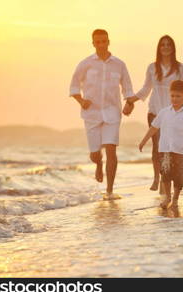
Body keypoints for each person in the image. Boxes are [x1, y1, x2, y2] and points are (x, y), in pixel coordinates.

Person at [124, 35, 183, 192]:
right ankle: (158, 178)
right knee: (158, 147)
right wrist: (130, 101)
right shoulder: (152, 67)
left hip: (175, 113)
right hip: (156, 111)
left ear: (173, 48)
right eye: (162, 45)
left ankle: (167, 178)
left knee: (172, 148)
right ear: (159, 48)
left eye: (168, 45)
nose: (165, 47)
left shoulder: (181, 68)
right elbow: (145, 89)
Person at [69, 29, 134, 199]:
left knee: (111, 149)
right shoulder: (85, 64)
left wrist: (129, 103)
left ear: (108, 41)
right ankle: (98, 164)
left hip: (112, 113)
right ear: (93, 43)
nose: (101, 45)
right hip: (91, 114)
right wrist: (81, 101)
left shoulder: (119, 64)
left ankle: (110, 191)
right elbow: (74, 86)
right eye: (97, 42)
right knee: (95, 154)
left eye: (104, 41)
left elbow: (127, 86)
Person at [139, 80, 183, 208]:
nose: (175, 99)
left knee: (178, 177)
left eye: (178, 96)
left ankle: (175, 199)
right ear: (169, 95)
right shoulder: (164, 112)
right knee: (165, 176)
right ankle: (168, 198)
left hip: (180, 151)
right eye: (172, 96)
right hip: (164, 150)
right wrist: (143, 141)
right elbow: (153, 128)